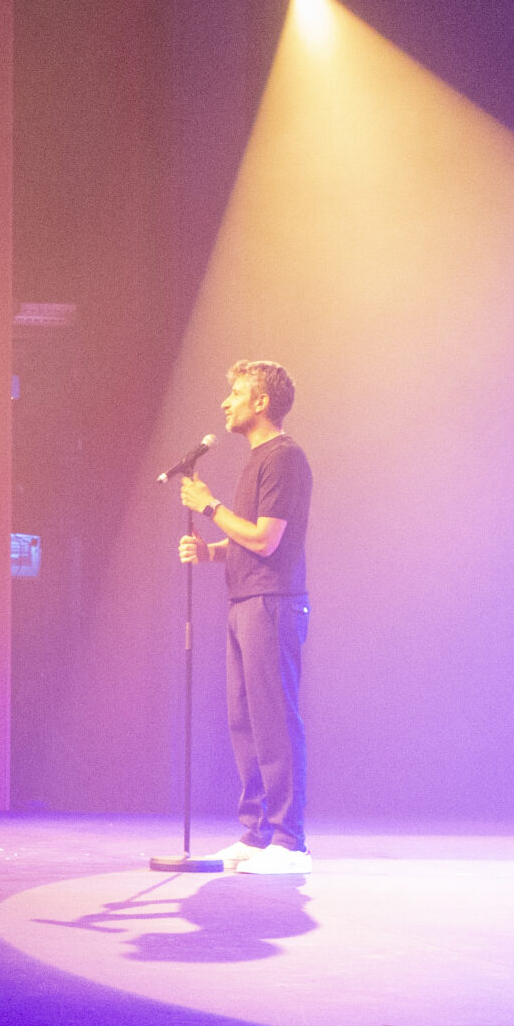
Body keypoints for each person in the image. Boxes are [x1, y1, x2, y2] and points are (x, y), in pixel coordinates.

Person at [179, 358, 315, 874]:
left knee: (274, 717)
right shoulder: (257, 459)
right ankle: (256, 834)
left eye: (235, 393)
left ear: (261, 402)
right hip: (246, 600)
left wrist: (210, 507)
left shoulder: (283, 458)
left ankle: (290, 841)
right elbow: (247, 542)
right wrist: (210, 551)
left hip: (273, 602)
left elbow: (266, 537)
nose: (225, 402)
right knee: (244, 720)